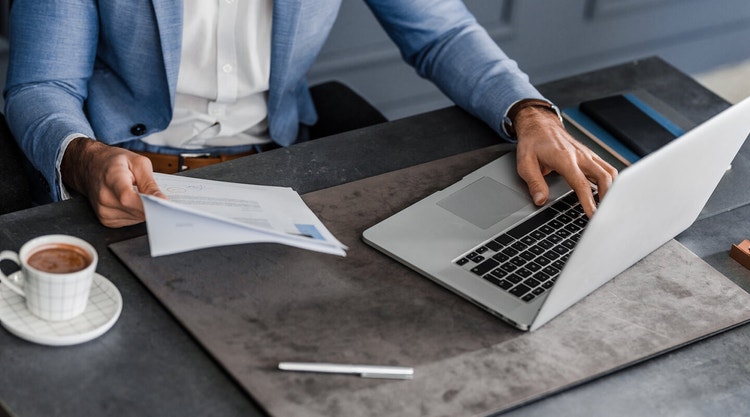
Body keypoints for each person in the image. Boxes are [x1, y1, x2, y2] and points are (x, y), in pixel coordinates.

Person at [4, 0, 617, 228]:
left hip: (282, 170)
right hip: (128, 183)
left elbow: (443, 33)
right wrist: (83, 158)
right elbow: (40, 84)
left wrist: (532, 114)